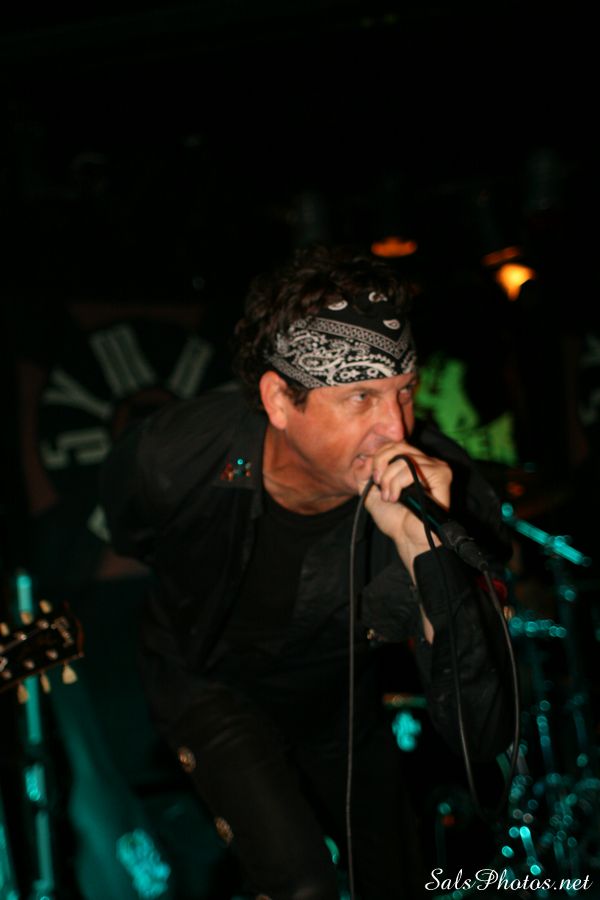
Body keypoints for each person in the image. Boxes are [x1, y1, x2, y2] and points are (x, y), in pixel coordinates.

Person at [99, 243, 514, 900]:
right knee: (302, 886)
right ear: (279, 399)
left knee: (400, 881)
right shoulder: (175, 456)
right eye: (360, 396)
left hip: (339, 698)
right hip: (208, 683)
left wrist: (424, 551)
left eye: (405, 391)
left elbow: (481, 733)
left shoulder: (443, 492)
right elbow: (133, 531)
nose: (395, 427)